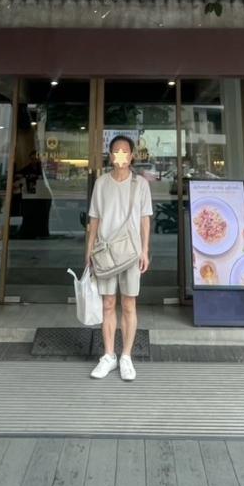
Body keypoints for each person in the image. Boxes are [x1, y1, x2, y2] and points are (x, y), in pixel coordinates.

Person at [85, 134, 152, 381]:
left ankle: (126, 356)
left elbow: (145, 219)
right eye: (116, 150)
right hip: (105, 252)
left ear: (132, 156)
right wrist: (88, 252)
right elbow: (94, 220)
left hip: (132, 253)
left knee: (129, 304)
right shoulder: (101, 183)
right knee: (108, 303)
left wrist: (145, 251)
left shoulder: (140, 184)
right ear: (110, 155)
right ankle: (108, 355)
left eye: (125, 151)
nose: (120, 155)